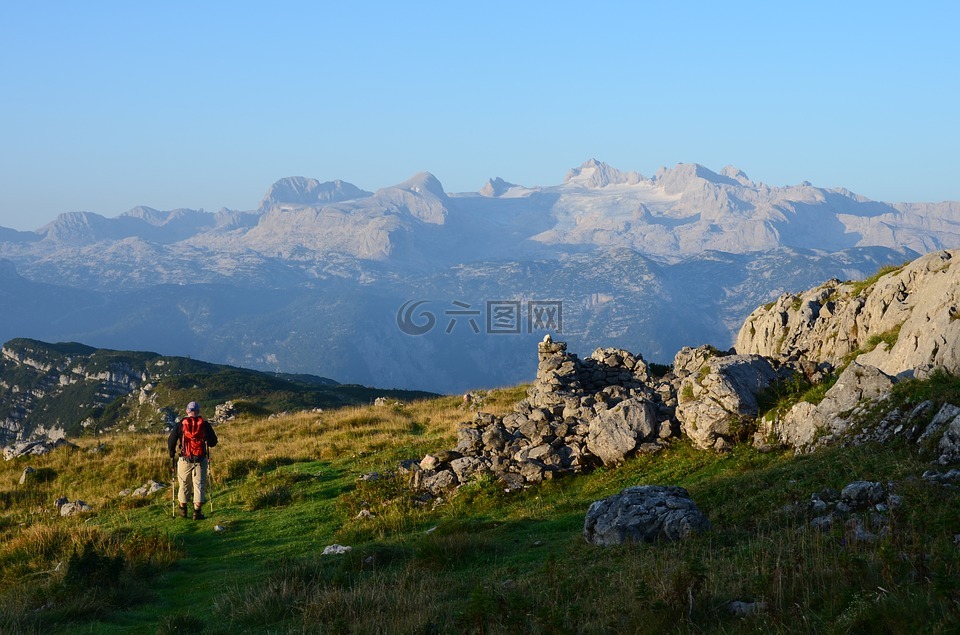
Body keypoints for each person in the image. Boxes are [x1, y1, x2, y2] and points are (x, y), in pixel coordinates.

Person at [167, 401, 218, 520]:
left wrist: (171, 452)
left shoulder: (180, 425)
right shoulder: (204, 425)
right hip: (200, 459)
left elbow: (171, 441)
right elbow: (213, 442)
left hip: (184, 459)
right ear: (198, 411)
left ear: (187, 411)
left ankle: (183, 511)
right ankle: (197, 512)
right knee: (199, 485)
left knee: (184, 484)